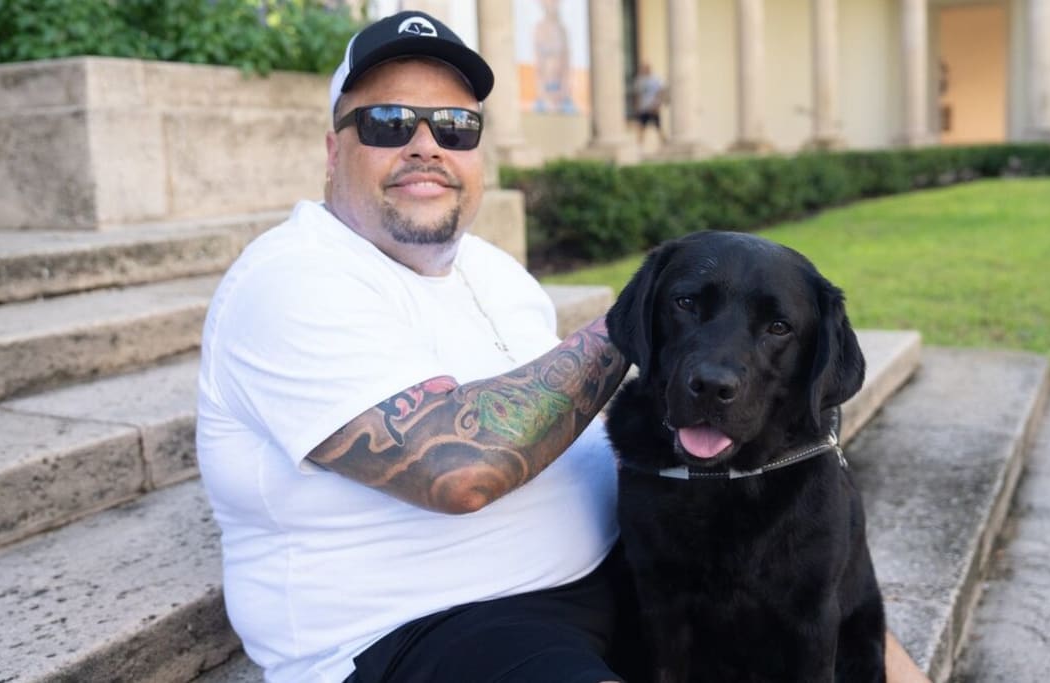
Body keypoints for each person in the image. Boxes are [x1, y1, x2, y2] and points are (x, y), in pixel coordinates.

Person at [196, 9, 931, 683]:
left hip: (620, 576)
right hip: (433, 630)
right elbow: (459, 471)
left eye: (455, 125)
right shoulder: (291, 278)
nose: (427, 145)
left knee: (835, 588)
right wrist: (655, 312)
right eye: (388, 122)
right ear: (333, 149)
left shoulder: (491, 270)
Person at [632, 62, 666, 146]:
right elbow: (637, 95)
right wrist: (637, 107)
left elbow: (661, 92)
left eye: (645, 68)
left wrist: (657, 104)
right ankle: (639, 147)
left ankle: (665, 145)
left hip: (653, 108)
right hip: (643, 108)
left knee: (658, 127)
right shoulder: (639, 80)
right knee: (641, 128)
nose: (643, 70)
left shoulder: (656, 79)